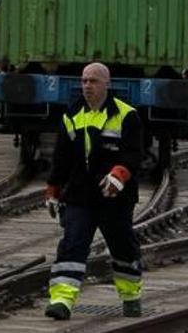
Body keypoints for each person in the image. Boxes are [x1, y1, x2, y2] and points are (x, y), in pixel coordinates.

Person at [44, 62, 144, 321]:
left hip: (115, 198)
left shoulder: (126, 115)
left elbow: (134, 154)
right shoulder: (72, 115)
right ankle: (62, 301)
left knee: (123, 247)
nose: (87, 86)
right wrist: (53, 189)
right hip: (80, 195)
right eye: (84, 81)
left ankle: (131, 296)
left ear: (107, 84)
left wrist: (119, 174)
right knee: (72, 246)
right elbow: (61, 157)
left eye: (94, 81)